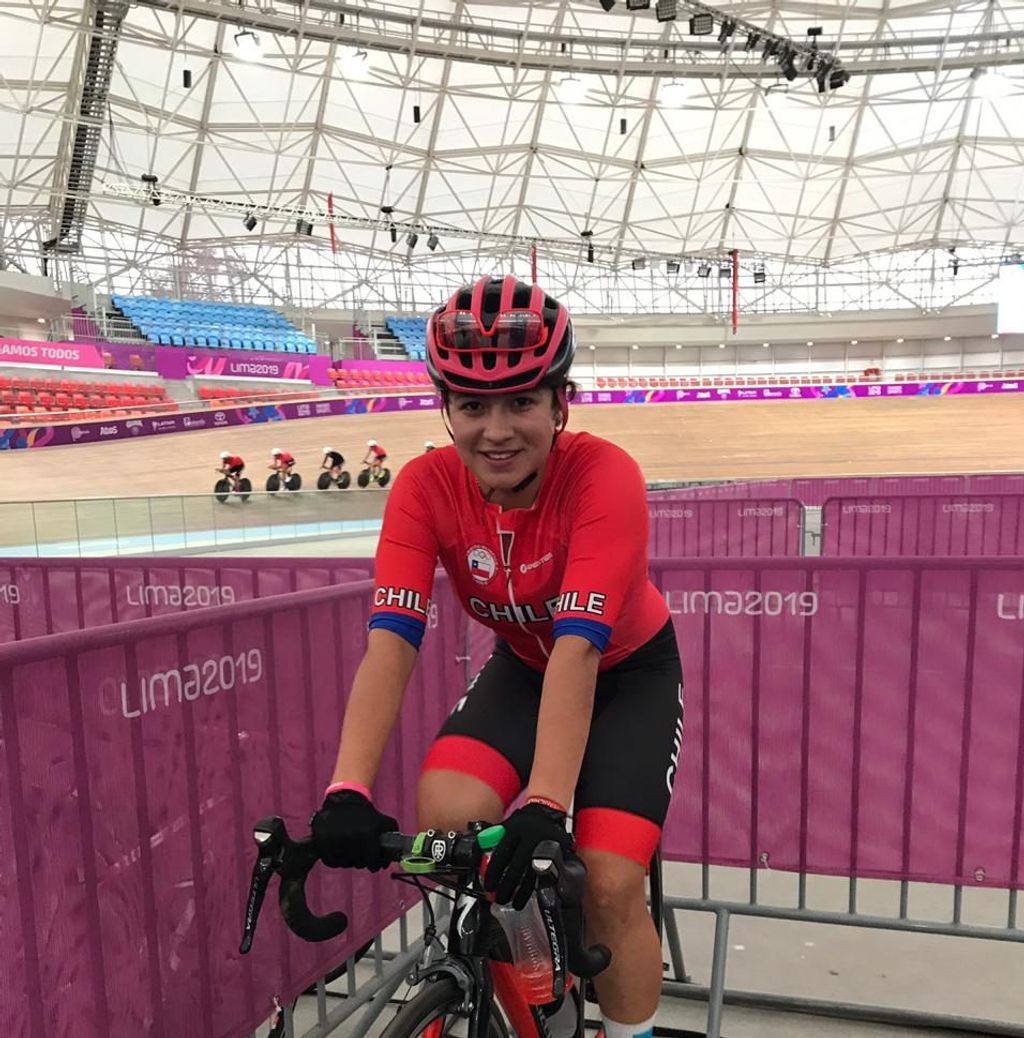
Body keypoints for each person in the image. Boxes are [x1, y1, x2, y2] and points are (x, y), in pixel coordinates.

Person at [312, 275, 683, 1038]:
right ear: (445, 409)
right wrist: (346, 789)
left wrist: (545, 804)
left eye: (521, 402)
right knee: (448, 818)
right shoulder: (424, 487)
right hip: (526, 669)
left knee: (609, 882)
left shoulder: (604, 476)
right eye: (472, 407)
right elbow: (392, 640)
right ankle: (534, 985)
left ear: (560, 405)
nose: (496, 430)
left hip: (626, 675)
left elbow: (580, 647)